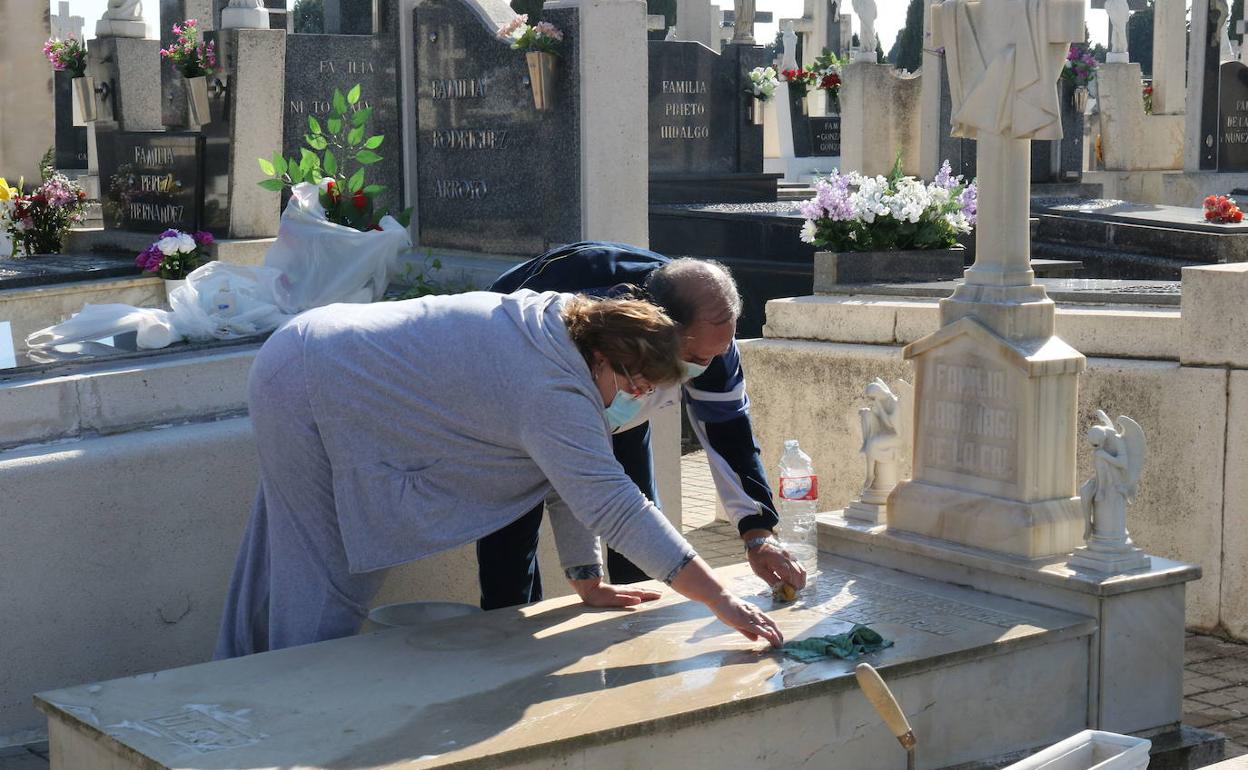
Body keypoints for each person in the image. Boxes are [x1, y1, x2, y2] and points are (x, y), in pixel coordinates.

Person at [215, 289, 784, 659]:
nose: (636, 400)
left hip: (315, 356)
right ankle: (290, 716)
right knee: (326, 575)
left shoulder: (572, 331)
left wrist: (586, 578)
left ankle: (232, 682)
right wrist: (719, 600)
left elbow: (571, 479)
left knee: (280, 554)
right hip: (314, 383)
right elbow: (613, 504)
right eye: (636, 386)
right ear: (608, 358)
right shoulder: (552, 389)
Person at [478, 242, 806, 611]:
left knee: (639, 523)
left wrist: (757, 534)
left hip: (617, 392)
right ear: (657, 329)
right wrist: (719, 599)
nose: (707, 365)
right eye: (696, 358)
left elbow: (730, 433)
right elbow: (583, 489)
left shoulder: (711, 335)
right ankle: (507, 639)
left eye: (717, 353)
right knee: (509, 538)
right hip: (516, 396)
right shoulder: (583, 319)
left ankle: (638, 624)